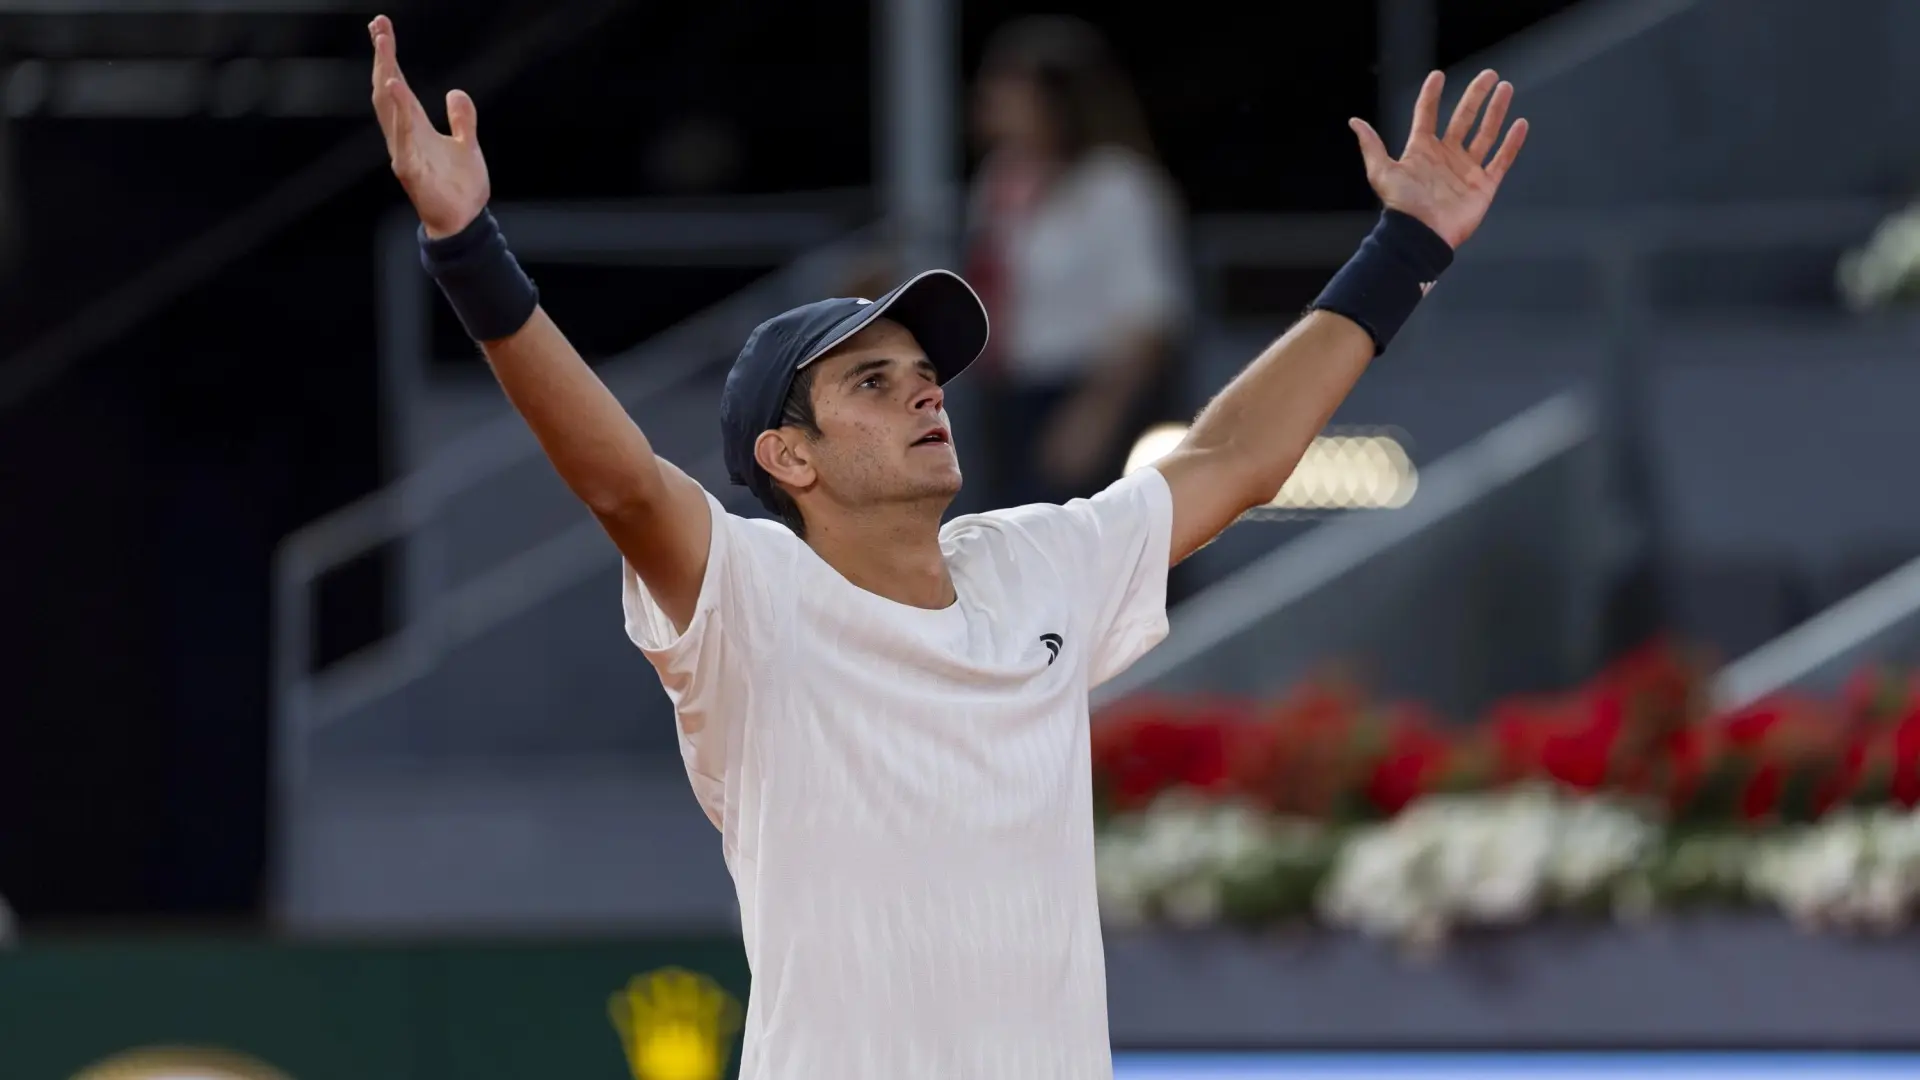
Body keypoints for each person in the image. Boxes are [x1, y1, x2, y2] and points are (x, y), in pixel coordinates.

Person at [367, 14, 1526, 1079]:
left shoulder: (1036, 564)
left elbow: (1231, 456)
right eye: (874, 383)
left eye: (926, 375)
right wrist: (467, 247)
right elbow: (622, 484)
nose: (927, 394)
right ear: (788, 456)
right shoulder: (750, 596)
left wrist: (1405, 248)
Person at [964, 16, 1190, 510]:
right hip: (1008, 394)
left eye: (1012, 94)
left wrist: (1097, 413)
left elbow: (1149, 317)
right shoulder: (999, 181)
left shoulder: (1116, 186)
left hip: (1084, 391)